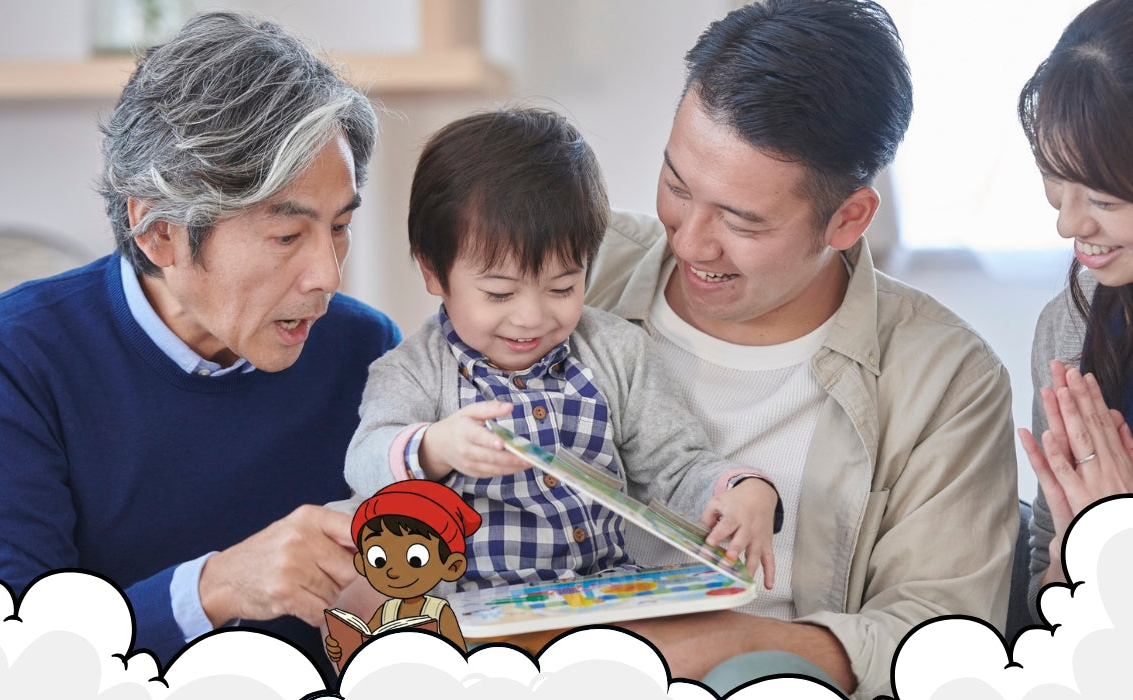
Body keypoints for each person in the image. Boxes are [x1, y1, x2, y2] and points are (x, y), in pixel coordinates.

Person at [0, 11, 399, 677]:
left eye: (339, 227)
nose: (327, 275)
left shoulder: (365, 349)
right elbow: (5, 656)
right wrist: (215, 588)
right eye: (288, 236)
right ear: (160, 235)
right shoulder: (4, 360)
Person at [583, 1, 1019, 697]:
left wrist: (745, 642)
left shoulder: (946, 378)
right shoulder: (571, 270)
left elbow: (944, 634)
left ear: (848, 218)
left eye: (740, 220)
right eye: (676, 185)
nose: (690, 241)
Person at [345, 108, 782, 594]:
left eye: (561, 288)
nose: (532, 317)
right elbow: (363, 463)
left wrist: (742, 489)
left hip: (604, 599)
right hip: (477, 612)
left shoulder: (616, 353)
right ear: (434, 272)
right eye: (499, 293)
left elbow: (676, 466)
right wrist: (434, 446)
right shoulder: (412, 371)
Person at [1013, 0, 1133, 614]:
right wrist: (1070, 567)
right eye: (1055, 181)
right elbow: (1043, 577)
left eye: (1103, 200)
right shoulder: (1067, 327)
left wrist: (1115, 539)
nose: (1067, 224)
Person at [325, 479, 481, 665]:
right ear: (362, 563)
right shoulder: (387, 609)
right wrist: (339, 648)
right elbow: (368, 635)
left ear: (451, 567)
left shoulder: (439, 611)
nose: (393, 571)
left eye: (415, 560)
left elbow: (457, 652)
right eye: (379, 560)